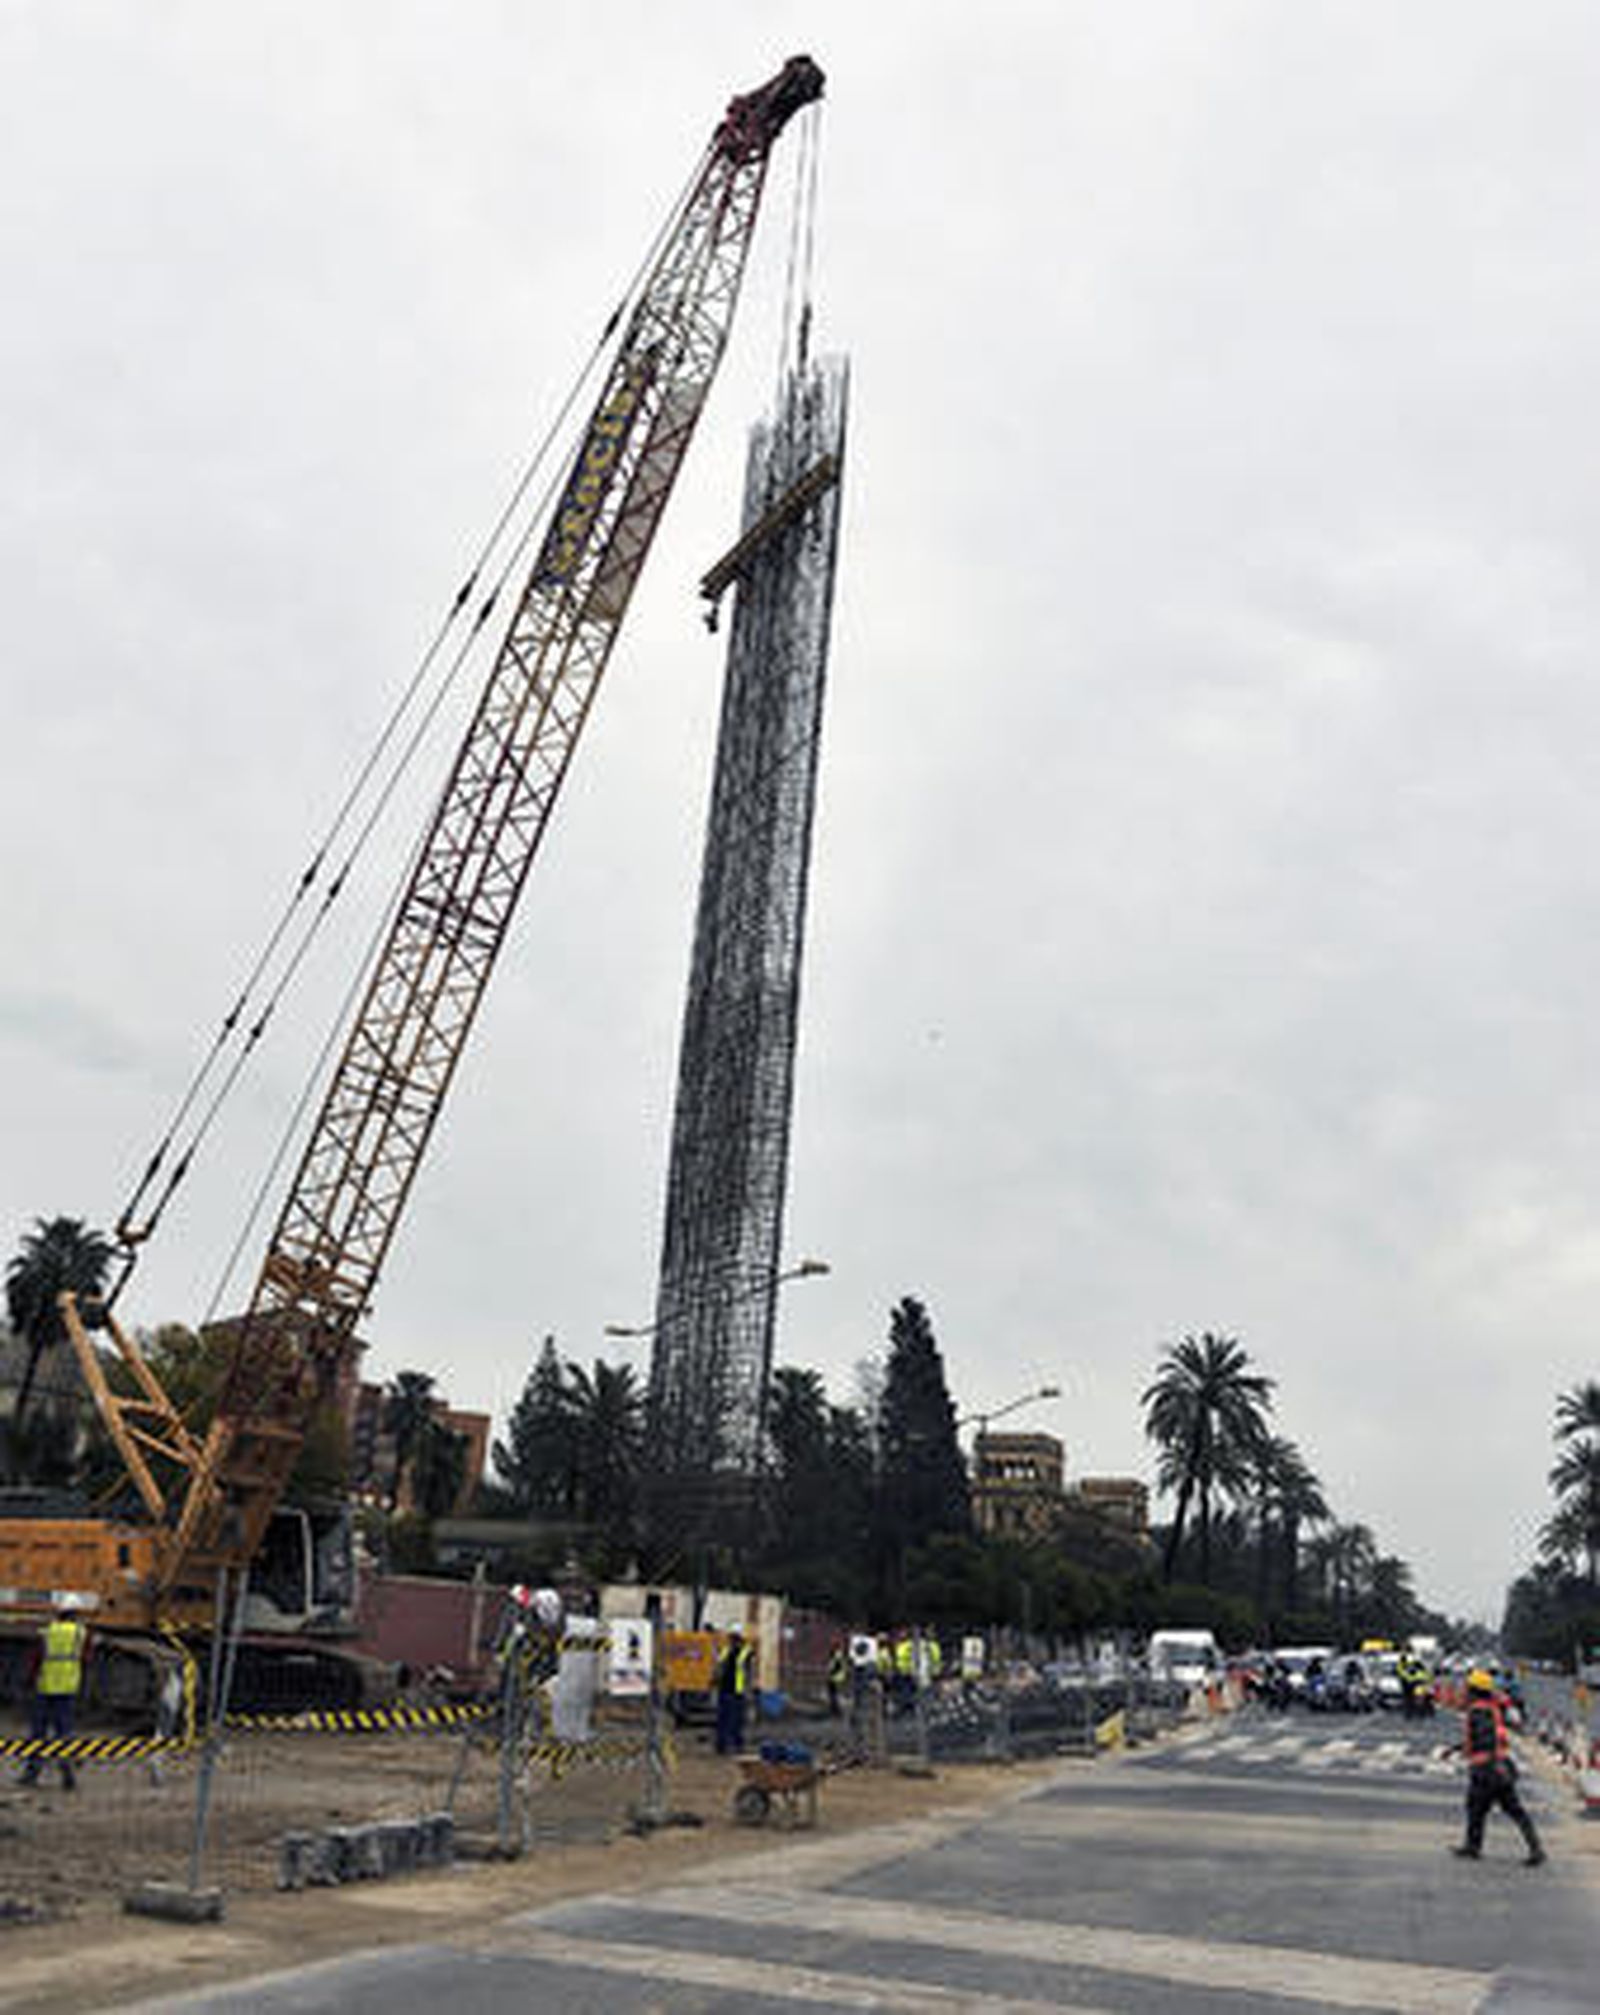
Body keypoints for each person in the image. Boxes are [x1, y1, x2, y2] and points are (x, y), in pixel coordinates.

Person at [1453, 1667, 1545, 1866]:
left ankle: (1473, 1847)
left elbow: (1487, 1738)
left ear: (1475, 1690)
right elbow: (1482, 1737)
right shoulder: (1488, 1708)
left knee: (1480, 1808)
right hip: (1494, 1766)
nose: (1464, 1691)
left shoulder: (1479, 1711)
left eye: (1467, 1687)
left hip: (1487, 1769)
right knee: (1497, 1809)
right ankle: (1535, 1849)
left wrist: (1491, 1763)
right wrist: (1456, 1748)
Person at [18, 1597, 89, 1792]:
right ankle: (67, 1776)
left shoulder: (47, 1632)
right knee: (64, 1733)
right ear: (76, 1614)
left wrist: (28, 1681)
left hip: (45, 1688)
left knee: (38, 1733)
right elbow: (86, 1659)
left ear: (59, 1613)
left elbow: (36, 1660)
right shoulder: (81, 1634)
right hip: (68, 1690)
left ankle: (31, 1774)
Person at [714, 1627, 754, 1755]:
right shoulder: (726, 1650)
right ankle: (722, 1745)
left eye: (733, 1638)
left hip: (737, 1691)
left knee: (736, 1720)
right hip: (725, 1689)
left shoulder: (746, 1652)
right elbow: (719, 1666)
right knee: (723, 1719)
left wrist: (748, 1691)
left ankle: (736, 1744)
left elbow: (749, 1672)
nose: (731, 1641)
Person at [825, 1641, 847, 1718]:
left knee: (834, 1695)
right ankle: (836, 1710)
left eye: (833, 1647)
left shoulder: (836, 1655)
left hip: (835, 1677)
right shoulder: (840, 1655)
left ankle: (836, 1711)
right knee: (835, 1694)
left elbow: (834, 1666)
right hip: (839, 1677)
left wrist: (830, 1672)